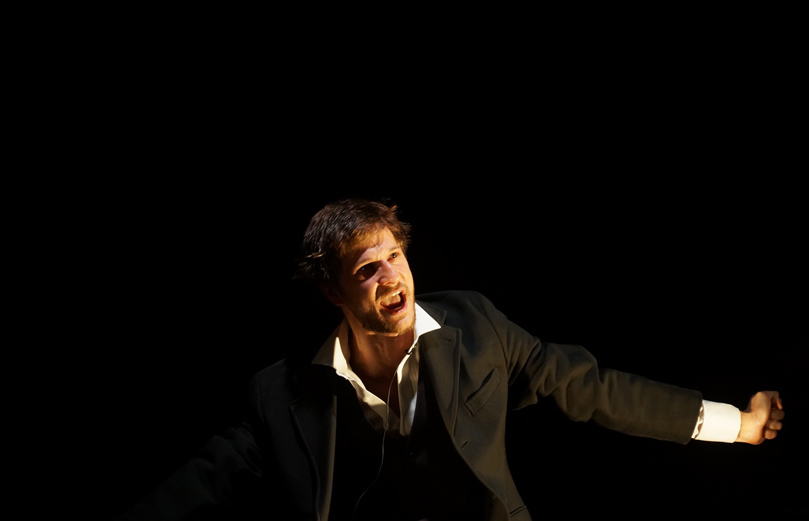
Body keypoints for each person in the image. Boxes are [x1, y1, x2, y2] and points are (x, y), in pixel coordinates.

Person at [115, 198, 785, 521]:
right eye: (367, 268)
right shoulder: (280, 391)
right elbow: (210, 475)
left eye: (395, 256)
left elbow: (590, 387)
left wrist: (738, 424)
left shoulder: (476, 327)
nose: (391, 277)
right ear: (333, 292)